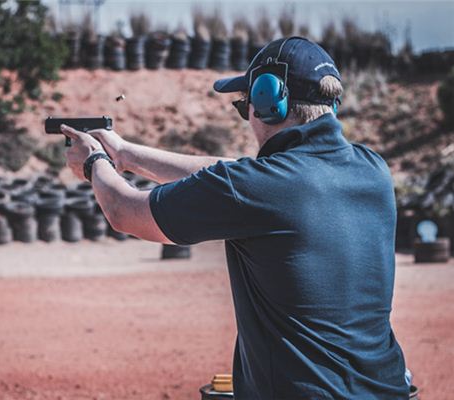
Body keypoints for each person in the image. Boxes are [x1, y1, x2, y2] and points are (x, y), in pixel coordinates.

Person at [60, 36, 408, 399]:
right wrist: (127, 155)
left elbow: (124, 211)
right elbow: (238, 176)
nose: (248, 117)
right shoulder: (372, 170)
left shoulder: (260, 187)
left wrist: (93, 162)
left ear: (268, 101)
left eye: (246, 106)